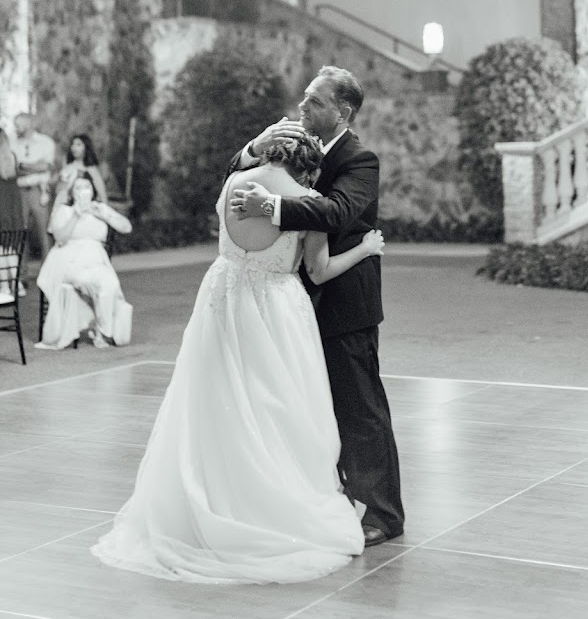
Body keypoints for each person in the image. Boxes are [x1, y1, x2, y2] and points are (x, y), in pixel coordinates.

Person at [92, 132, 383, 584]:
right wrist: (365, 249)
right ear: (309, 169)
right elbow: (318, 270)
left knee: (214, 401)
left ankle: (206, 501)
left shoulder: (235, 182)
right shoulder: (306, 201)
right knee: (274, 408)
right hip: (275, 311)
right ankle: (263, 506)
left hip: (222, 299)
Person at [228, 66, 404, 548]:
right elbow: (237, 176)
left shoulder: (359, 160)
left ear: (342, 112)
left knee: (360, 409)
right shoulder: (295, 148)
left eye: (315, 101)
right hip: (296, 304)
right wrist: (255, 148)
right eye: (305, 98)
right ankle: (334, 498)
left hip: (345, 303)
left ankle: (384, 513)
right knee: (313, 408)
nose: (302, 107)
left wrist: (272, 207)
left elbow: (337, 212)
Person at [36, 172, 132, 350]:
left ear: (92, 190)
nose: (83, 191)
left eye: (86, 186)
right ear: (72, 192)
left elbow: (126, 227)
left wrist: (102, 215)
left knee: (110, 284)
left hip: (96, 261)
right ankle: (93, 322)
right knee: (86, 279)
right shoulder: (64, 211)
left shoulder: (99, 209)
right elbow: (60, 238)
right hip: (69, 261)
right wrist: (76, 215)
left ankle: (101, 330)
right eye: (78, 187)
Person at [12, 113, 56, 263]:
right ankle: (21, 271)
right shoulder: (12, 143)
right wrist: (36, 166)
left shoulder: (45, 142)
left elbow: (47, 166)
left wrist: (23, 166)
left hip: (38, 191)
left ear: (28, 125)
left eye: (19, 125)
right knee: (20, 232)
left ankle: (48, 269)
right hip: (19, 191)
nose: (16, 128)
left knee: (44, 232)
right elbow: (12, 168)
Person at [0, 128, 25, 297]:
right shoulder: (12, 157)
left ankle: (4, 286)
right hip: (13, 207)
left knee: (1, 249)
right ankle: (18, 284)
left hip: (2, 206)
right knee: (11, 247)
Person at [57, 133, 108, 204]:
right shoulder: (67, 167)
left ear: (86, 148)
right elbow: (59, 190)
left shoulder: (91, 169)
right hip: (67, 205)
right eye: (73, 144)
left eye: (78, 145)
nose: (74, 147)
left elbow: (102, 194)